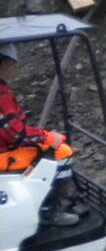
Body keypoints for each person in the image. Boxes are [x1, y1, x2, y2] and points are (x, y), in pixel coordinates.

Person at [0, 42, 79, 226]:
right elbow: (15, 133)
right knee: (63, 153)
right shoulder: (1, 95)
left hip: (5, 146)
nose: (14, 68)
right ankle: (52, 212)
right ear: (2, 64)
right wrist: (47, 137)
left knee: (49, 148)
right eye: (12, 64)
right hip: (4, 153)